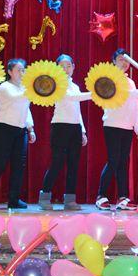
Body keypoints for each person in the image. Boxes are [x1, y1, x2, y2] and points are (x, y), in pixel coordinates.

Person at [95, 49, 138, 212]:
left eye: (127, 60)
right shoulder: (108, 79)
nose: (124, 63)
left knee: (123, 162)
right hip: (112, 125)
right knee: (113, 160)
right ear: (113, 61)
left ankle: (123, 198)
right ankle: (101, 196)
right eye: (121, 59)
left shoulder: (131, 82)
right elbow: (127, 95)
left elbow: (135, 106)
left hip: (127, 127)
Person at [0, 59, 36, 210]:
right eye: (18, 70)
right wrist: (34, 88)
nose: (22, 72)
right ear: (10, 72)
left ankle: (14, 200)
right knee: (0, 164)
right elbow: (17, 97)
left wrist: (30, 128)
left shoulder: (25, 89)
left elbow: (26, 108)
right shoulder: (5, 87)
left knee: (19, 166)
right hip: (4, 128)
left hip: (20, 130)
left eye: (23, 70)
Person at [38, 54, 91, 211]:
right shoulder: (56, 84)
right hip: (60, 127)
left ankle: (70, 200)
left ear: (73, 67)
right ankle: (44, 197)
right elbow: (73, 98)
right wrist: (95, 93)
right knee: (57, 162)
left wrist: (82, 131)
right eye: (62, 66)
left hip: (75, 128)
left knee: (73, 164)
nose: (66, 69)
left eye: (69, 66)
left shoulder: (75, 86)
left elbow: (77, 110)